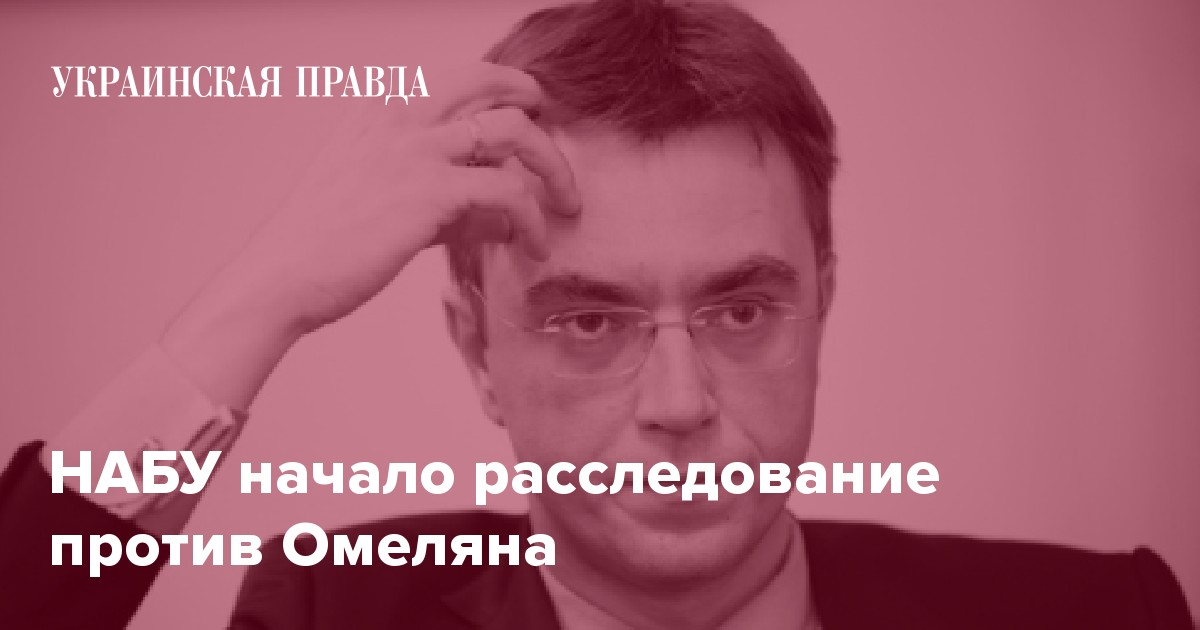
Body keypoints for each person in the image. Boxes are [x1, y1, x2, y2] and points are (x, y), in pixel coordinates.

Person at [0, 0, 1193, 628]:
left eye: (741, 309)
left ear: (823, 307)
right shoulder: (332, 611)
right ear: (477, 350)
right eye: (588, 321)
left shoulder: (1100, 618)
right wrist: (259, 300)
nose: (679, 405)